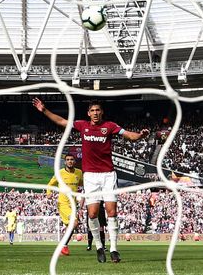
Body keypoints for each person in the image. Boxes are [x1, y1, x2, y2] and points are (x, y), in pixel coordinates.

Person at [33, 98, 150, 263]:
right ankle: (99, 247)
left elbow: (129, 135)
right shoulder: (82, 125)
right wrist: (44, 110)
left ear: (102, 112)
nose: (95, 113)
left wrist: (140, 135)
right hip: (90, 176)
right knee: (93, 213)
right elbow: (61, 121)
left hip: (108, 174)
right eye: (92, 110)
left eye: (98, 110)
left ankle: (114, 249)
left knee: (112, 212)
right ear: (89, 113)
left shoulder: (110, 126)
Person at [46, 153, 84, 256]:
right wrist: (49, 193)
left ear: (74, 161)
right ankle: (63, 246)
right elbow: (50, 184)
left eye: (72, 159)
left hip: (73, 204)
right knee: (74, 223)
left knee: (70, 227)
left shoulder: (79, 173)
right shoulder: (60, 173)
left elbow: (82, 184)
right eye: (67, 159)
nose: (70, 161)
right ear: (65, 161)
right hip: (63, 203)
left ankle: (62, 247)